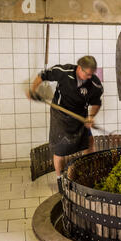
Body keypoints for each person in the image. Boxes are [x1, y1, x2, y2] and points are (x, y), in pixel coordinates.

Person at [27, 55, 103, 192]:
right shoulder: (63, 72)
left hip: (81, 116)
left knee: (88, 141)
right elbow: (43, 75)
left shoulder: (94, 84)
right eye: (87, 74)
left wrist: (91, 117)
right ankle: (60, 178)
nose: (90, 77)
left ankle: (89, 172)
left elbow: (97, 102)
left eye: (92, 74)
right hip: (60, 115)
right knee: (60, 148)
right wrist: (33, 90)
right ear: (79, 68)